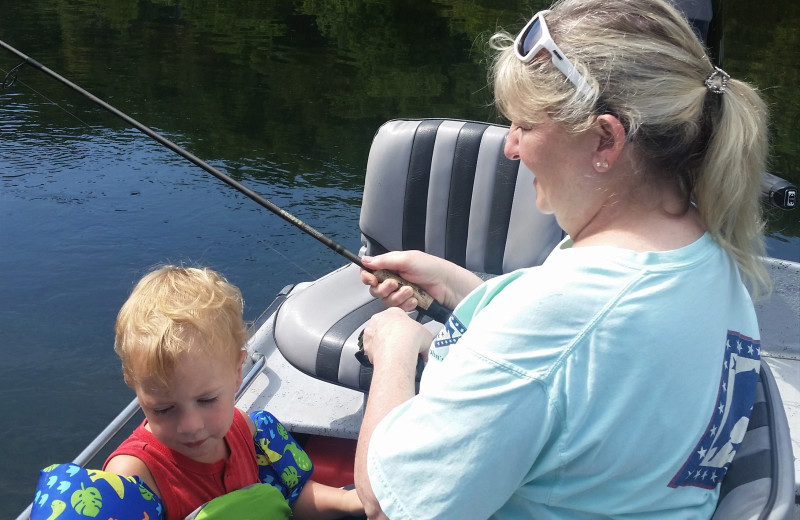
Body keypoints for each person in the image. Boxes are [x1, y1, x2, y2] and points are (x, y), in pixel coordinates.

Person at [354, 0, 770, 518]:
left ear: (604, 138)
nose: (510, 148)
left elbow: (385, 500)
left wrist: (393, 345)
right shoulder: (707, 249)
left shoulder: (556, 318)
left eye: (524, 125)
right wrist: (457, 286)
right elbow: (579, 357)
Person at [104, 265, 363, 520]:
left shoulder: (244, 429)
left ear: (237, 371)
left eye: (207, 400)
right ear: (133, 384)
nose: (190, 426)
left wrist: (348, 501)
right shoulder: (133, 476)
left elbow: (289, 499)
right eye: (163, 409)